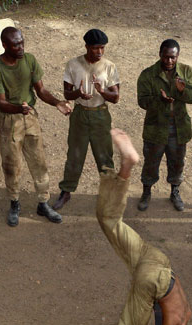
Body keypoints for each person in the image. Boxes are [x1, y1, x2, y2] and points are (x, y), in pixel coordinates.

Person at [62, 129, 192, 325]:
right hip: (150, 279)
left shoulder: (186, 316)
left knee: (110, 220)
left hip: (160, 261)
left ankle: (126, 168)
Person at [0, 26, 72, 227]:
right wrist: (19, 109)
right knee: (12, 165)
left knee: (39, 161)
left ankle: (43, 203)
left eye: (22, 42)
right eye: (16, 44)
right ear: (5, 45)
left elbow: (40, 90)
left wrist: (57, 102)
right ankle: (14, 203)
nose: (21, 47)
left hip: (30, 117)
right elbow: (1, 103)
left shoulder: (30, 60)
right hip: (9, 120)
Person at [52, 28, 120, 211]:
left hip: (101, 114)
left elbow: (115, 97)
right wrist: (78, 93)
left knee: (105, 156)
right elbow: (67, 93)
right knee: (74, 154)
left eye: (102, 48)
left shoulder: (109, 66)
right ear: (86, 47)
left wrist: (102, 91)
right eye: (95, 48)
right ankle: (66, 191)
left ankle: (110, 194)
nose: (99, 52)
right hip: (80, 114)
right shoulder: (73, 64)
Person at [136, 39, 192, 212]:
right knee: (151, 161)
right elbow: (142, 101)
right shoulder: (148, 74)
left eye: (173, 57)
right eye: (166, 57)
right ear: (160, 55)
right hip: (155, 127)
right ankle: (146, 192)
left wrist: (182, 90)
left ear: (177, 56)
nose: (169, 61)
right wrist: (160, 100)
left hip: (178, 128)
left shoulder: (186, 72)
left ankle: (175, 192)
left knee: (177, 162)